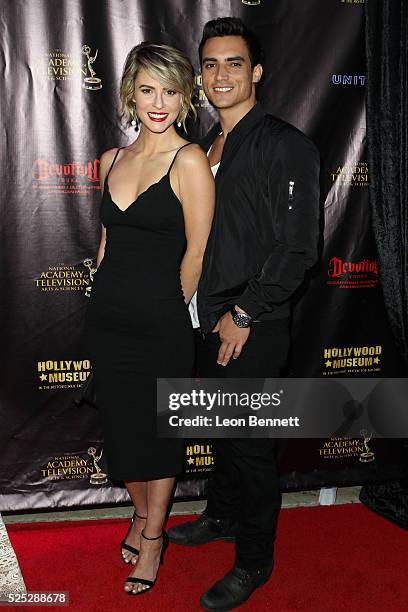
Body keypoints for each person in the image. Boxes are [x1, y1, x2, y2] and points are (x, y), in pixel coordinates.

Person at [168, 17, 320, 611]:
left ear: (256, 71)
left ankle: (254, 561)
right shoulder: (205, 146)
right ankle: (222, 515)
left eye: (234, 62)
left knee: (252, 447)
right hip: (205, 320)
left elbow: (299, 247)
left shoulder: (285, 144)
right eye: (210, 64)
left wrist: (246, 312)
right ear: (200, 75)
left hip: (248, 324)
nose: (221, 74)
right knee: (225, 435)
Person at [85, 42, 214, 595]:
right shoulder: (112, 160)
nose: (158, 102)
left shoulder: (189, 160)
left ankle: (155, 535)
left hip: (161, 325)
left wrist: (164, 313)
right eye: (147, 89)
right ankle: (139, 513)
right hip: (108, 321)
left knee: (159, 435)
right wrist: (102, 293)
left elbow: (196, 256)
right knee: (122, 429)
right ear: (129, 94)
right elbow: (107, 243)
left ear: (185, 97)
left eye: (170, 90)